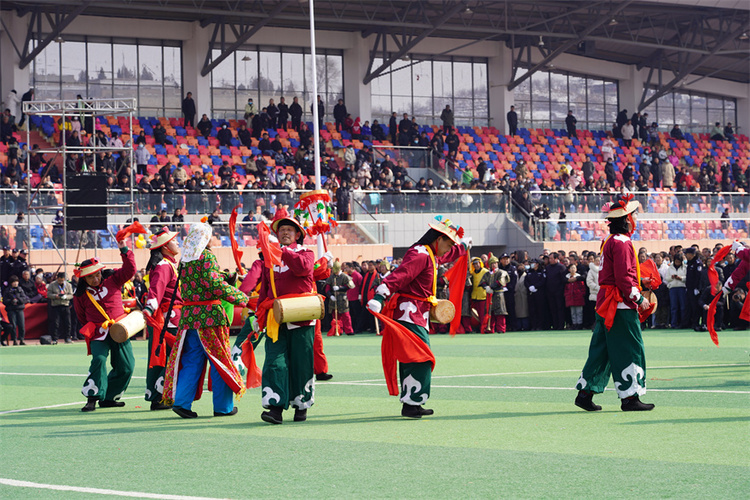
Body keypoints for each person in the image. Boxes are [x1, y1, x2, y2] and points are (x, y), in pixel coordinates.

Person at [367, 217, 470, 418]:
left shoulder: (429, 254)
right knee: (422, 357)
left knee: (410, 358)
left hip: (416, 312)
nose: (448, 248)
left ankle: (411, 403)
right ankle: (412, 402)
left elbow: (446, 256)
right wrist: (380, 295)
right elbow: (400, 276)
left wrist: (463, 247)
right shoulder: (421, 255)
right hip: (409, 313)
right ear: (438, 239)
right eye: (448, 244)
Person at [575, 193, 655, 412]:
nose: (636, 219)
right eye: (633, 215)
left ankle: (585, 392)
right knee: (630, 348)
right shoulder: (622, 243)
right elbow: (623, 278)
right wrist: (638, 298)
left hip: (606, 302)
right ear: (627, 219)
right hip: (620, 304)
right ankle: (630, 397)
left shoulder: (610, 241)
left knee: (602, 350)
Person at [162, 221, 248, 418]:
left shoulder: (185, 260)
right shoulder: (207, 256)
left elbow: (206, 281)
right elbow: (215, 286)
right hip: (210, 316)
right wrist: (242, 297)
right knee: (219, 360)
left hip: (190, 317)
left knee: (192, 360)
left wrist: (223, 278)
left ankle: (182, 403)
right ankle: (223, 407)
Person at [256, 214, 318, 424]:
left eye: (289, 230)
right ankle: (275, 408)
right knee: (275, 361)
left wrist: (283, 252)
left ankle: (301, 405)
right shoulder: (269, 259)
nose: (284, 232)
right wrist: (258, 314)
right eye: (281, 230)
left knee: (301, 362)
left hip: (301, 315)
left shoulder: (306, 253)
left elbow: (303, 269)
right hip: (276, 316)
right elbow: (265, 289)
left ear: (298, 235)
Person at [73, 240, 136, 412]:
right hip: (98, 333)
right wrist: (94, 328)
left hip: (119, 330)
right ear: (83, 278)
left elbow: (130, 270)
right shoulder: (80, 295)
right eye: (90, 276)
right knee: (99, 359)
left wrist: (124, 249)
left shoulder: (113, 279)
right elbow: (81, 317)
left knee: (127, 366)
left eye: (97, 274)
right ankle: (92, 397)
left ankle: (109, 397)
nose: (95, 279)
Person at [141, 228, 182, 411]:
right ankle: (159, 396)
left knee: (165, 356)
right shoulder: (164, 266)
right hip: (168, 319)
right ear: (166, 246)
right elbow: (156, 289)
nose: (178, 243)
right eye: (175, 240)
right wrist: (150, 307)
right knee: (166, 356)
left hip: (169, 317)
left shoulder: (169, 264)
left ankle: (161, 395)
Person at [326, 260, 355, 336]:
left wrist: (340, 288)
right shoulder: (331, 277)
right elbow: (327, 288)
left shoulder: (345, 276)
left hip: (342, 298)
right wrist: (330, 295)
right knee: (335, 316)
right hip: (334, 299)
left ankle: (349, 330)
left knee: (346, 315)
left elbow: (350, 286)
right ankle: (338, 330)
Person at [47, 272, 74, 344]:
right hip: (56, 306)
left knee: (67, 323)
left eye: (62, 280)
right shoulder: (52, 285)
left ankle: (67, 338)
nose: (61, 282)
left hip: (65, 305)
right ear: (57, 278)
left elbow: (71, 295)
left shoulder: (68, 285)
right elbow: (48, 294)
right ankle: (55, 339)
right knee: (56, 323)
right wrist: (55, 296)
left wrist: (66, 297)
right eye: (59, 280)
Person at [2, 275, 28, 345]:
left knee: (21, 325)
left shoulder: (20, 289)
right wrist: (11, 301)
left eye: (16, 282)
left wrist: (18, 299)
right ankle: (14, 340)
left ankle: (22, 339)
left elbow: (24, 299)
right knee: (13, 325)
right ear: (11, 283)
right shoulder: (7, 290)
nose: (15, 283)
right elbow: (4, 301)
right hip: (11, 309)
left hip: (19, 308)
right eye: (14, 282)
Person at [564, 263, 586, 329]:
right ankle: (574, 324)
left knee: (579, 312)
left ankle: (579, 324)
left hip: (579, 297)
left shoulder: (579, 278)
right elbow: (566, 289)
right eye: (571, 268)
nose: (573, 269)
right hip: (570, 298)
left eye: (574, 268)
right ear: (569, 270)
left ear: (576, 269)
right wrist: (567, 295)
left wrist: (581, 294)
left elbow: (583, 288)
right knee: (573, 312)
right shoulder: (567, 278)